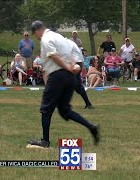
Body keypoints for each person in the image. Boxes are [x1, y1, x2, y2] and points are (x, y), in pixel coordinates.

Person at [27, 20, 99, 149]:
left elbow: (53, 56)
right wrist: (72, 66)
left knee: (46, 109)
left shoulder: (45, 39)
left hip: (58, 75)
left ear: (37, 30)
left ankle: (45, 142)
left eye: (35, 34)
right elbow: (70, 53)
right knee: (65, 110)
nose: (36, 37)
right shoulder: (59, 37)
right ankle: (91, 127)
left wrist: (66, 67)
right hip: (70, 77)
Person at [67, 39, 93, 109]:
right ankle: (88, 104)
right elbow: (80, 56)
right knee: (77, 86)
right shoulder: (72, 44)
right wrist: (82, 66)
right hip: (77, 63)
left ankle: (66, 104)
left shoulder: (66, 44)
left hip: (74, 64)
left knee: (71, 84)